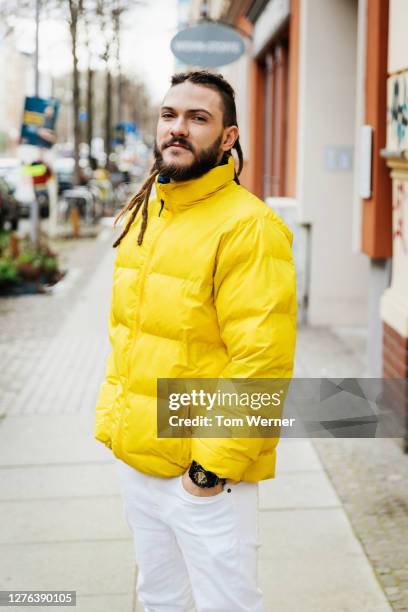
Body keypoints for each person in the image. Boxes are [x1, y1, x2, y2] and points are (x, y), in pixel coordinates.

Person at [95, 70, 297, 611]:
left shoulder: (247, 227)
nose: (178, 129)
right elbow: (131, 335)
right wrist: (117, 426)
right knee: (159, 599)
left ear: (228, 137)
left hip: (204, 476)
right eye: (170, 115)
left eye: (197, 118)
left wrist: (209, 471)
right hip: (139, 460)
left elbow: (263, 361)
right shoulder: (148, 210)